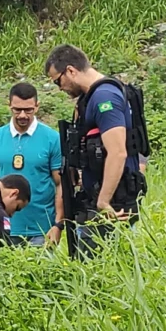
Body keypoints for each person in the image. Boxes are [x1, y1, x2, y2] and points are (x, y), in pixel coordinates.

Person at [44, 44, 148, 258]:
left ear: (71, 70)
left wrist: (104, 201)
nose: (59, 88)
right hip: (98, 201)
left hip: (111, 206)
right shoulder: (89, 99)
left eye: (58, 81)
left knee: (104, 274)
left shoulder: (104, 98)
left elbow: (118, 152)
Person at [0, 82, 64, 247]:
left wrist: (58, 225)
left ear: (37, 106)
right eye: (17, 109)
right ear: (9, 105)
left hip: (42, 229)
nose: (22, 115)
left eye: (28, 110)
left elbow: (61, 184)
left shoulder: (52, 138)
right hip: (3, 227)